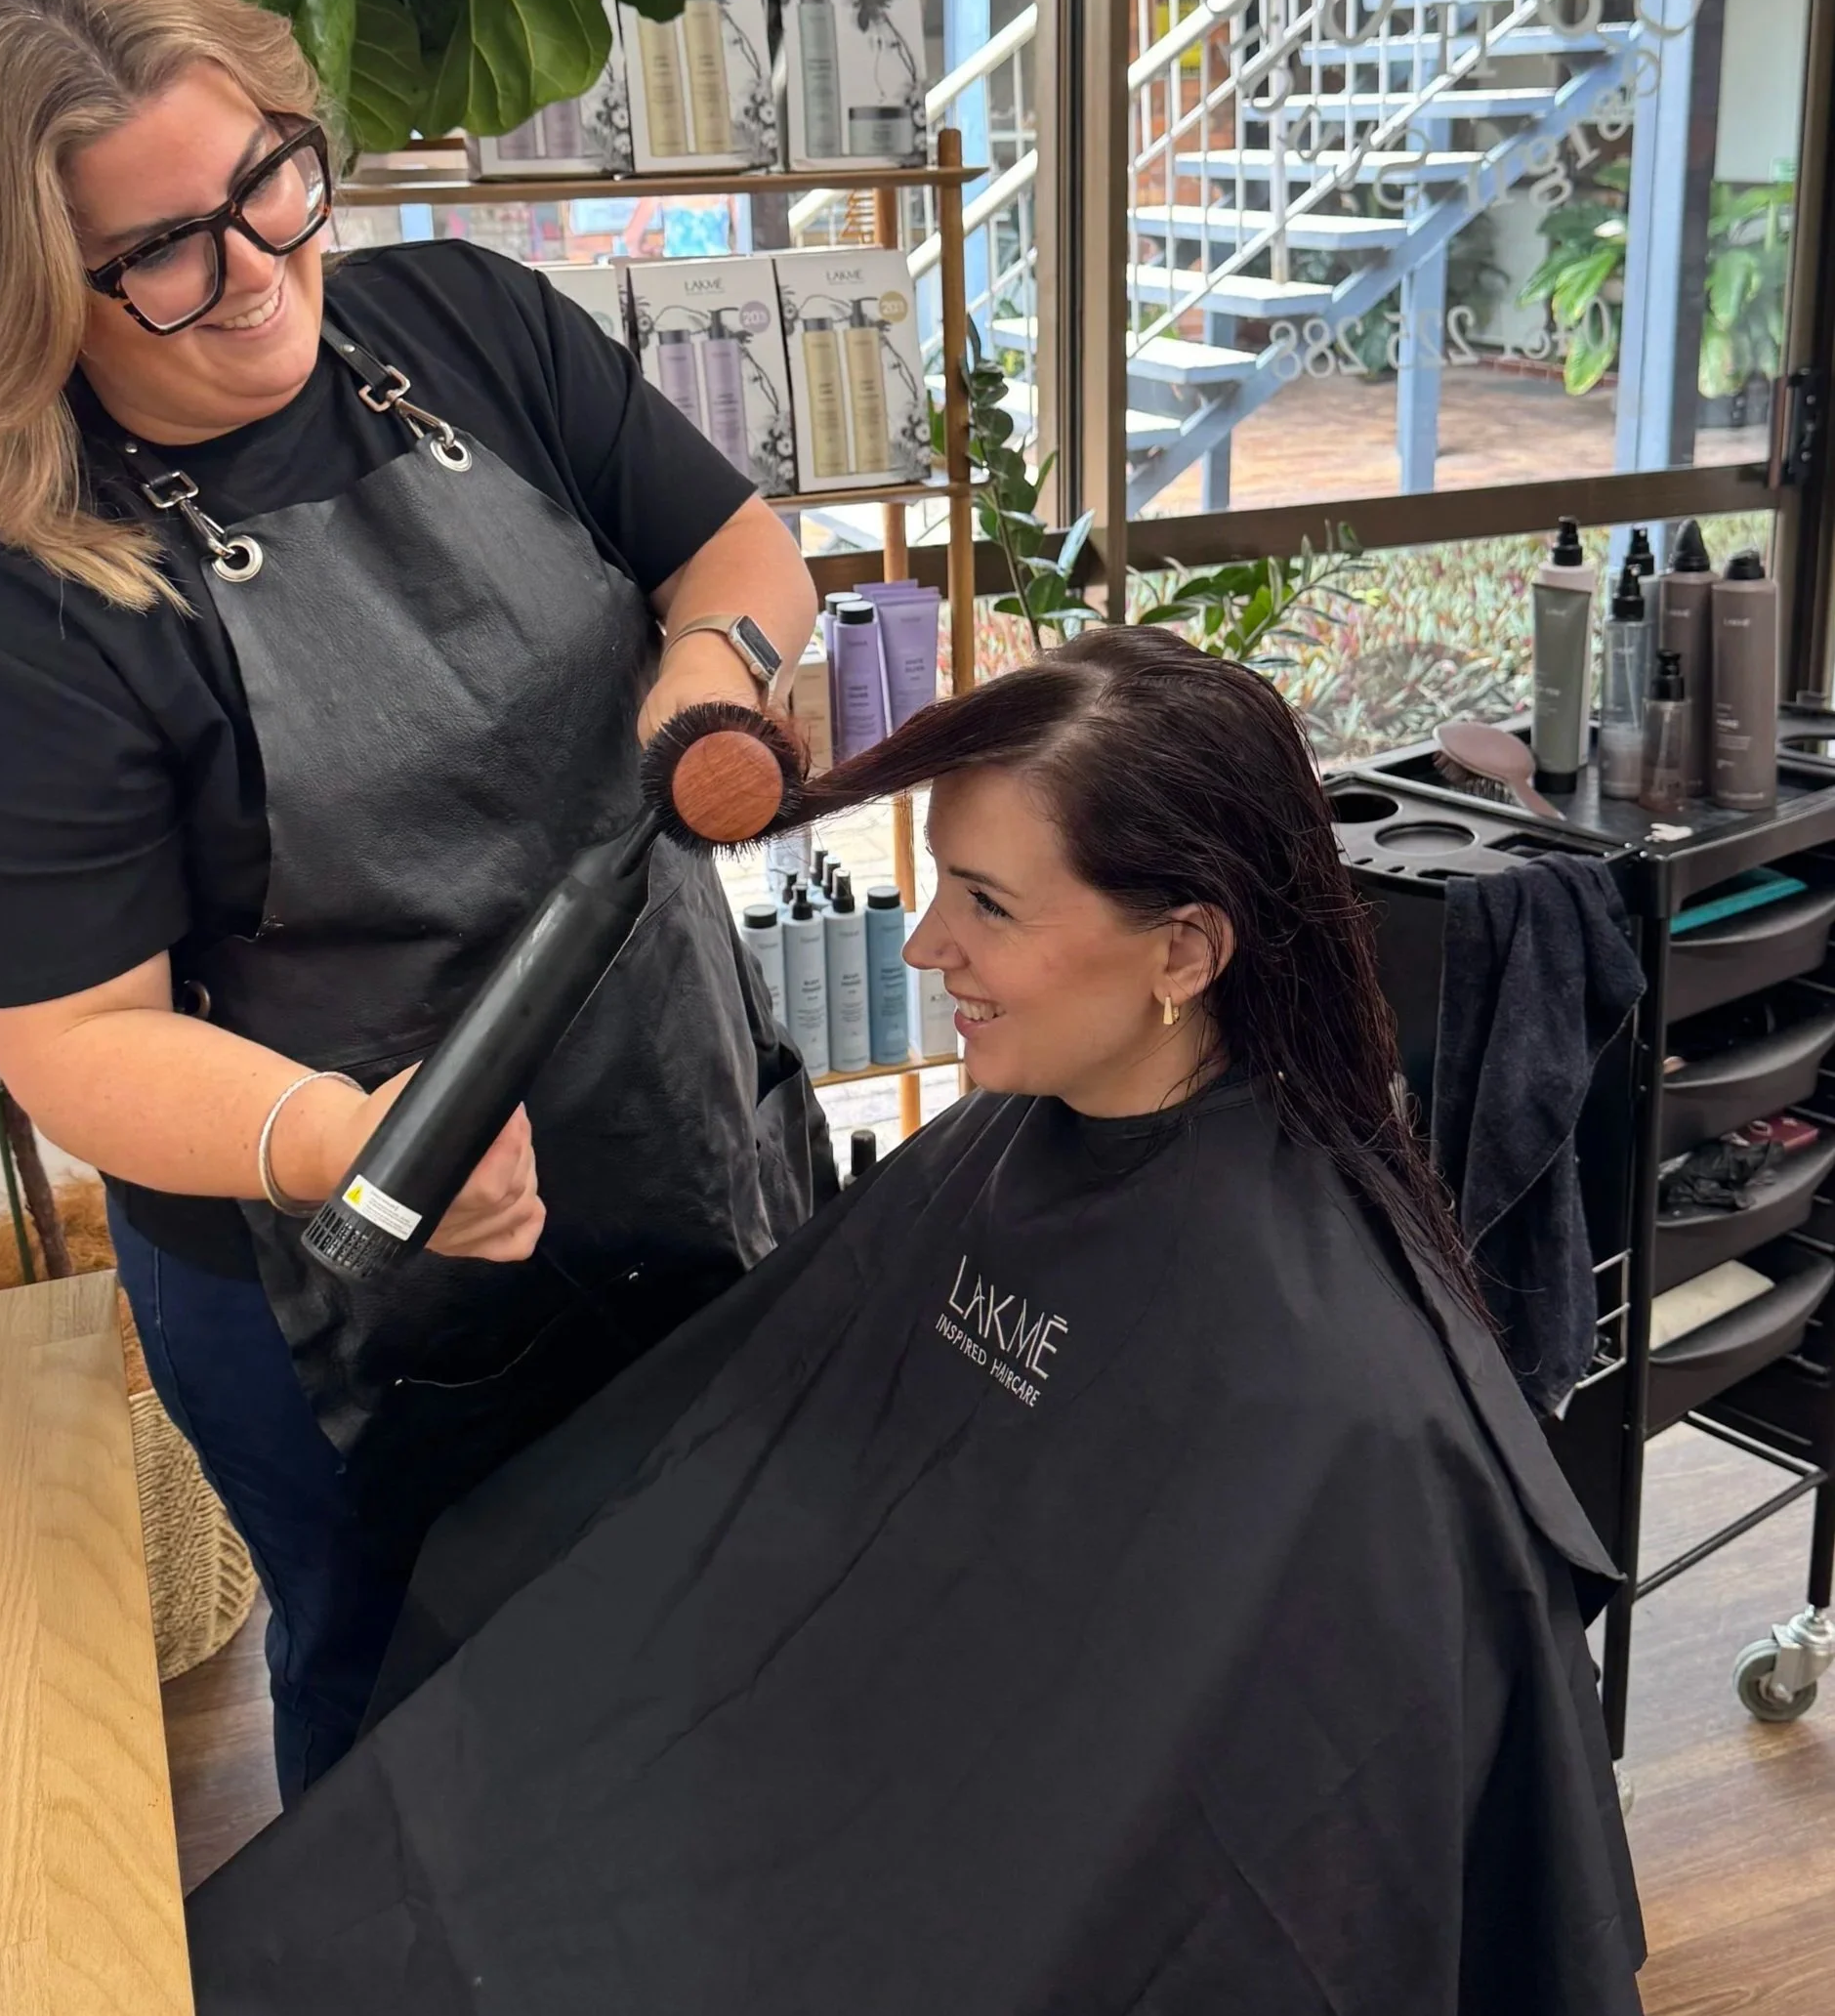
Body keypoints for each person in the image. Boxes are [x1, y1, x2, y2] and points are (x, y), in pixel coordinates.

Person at [187, 628, 1646, 2016]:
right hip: (818, 1775)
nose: (922, 945)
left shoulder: (1341, 1395)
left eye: (989, 905)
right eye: (938, 881)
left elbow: (1250, 1832)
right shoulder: (1012, 1139)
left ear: (1185, 951)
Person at [0, 0, 830, 1799]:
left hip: (678, 1125)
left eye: (269, 183)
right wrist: (350, 1149)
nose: (254, 276)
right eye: (157, 253)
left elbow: (742, 556)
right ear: (13, 285)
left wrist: (708, 678)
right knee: (435, 1748)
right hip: (352, 1289)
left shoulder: (464, 323)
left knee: (720, 1658)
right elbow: (75, 1048)